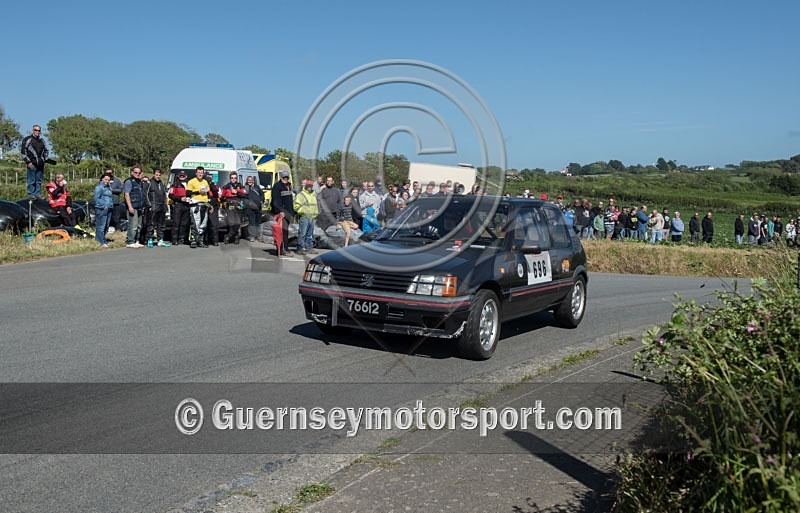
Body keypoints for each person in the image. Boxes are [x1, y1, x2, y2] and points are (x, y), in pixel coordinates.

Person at [21, 125, 49, 199]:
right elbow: (23, 152)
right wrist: (28, 162)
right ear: (33, 130)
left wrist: (44, 159)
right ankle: (31, 194)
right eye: (36, 130)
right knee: (31, 180)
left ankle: (37, 194)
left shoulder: (42, 141)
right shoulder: (28, 139)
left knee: (39, 180)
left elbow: (46, 151)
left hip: (40, 164)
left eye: (39, 130)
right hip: (31, 163)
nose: (37, 132)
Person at [142, 169, 170, 246]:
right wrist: (149, 205)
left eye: (159, 175)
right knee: (151, 223)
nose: (158, 176)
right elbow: (145, 194)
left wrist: (165, 205)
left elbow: (164, 194)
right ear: (154, 174)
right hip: (153, 205)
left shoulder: (161, 183)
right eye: (156, 175)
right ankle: (149, 239)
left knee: (161, 224)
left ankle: (160, 239)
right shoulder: (149, 183)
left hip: (161, 205)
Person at [185, 166, 211, 248]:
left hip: (204, 205)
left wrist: (210, 204)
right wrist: (198, 192)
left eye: (201, 173)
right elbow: (188, 193)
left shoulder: (205, 182)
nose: (200, 174)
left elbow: (208, 192)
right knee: (195, 224)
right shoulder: (191, 182)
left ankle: (200, 241)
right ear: (196, 173)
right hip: (196, 205)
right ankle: (193, 240)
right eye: (199, 173)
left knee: (203, 224)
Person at [270, 170, 294, 257]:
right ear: (281, 177)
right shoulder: (277, 186)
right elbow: (276, 201)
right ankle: (283, 249)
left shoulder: (289, 185)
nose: (286, 179)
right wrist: (280, 211)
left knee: (285, 231)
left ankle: (284, 248)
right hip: (281, 213)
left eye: (287, 177)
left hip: (288, 212)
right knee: (282, 231)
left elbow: (290, 200)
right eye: (284, 177)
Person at [220, 172, 247, 244]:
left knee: (238, 223)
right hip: (230, 206)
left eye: (235, 178)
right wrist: (223, 204)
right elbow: (222, 197)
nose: (233, 179)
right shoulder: (226, 186)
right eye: (232, 178)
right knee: (232, 223)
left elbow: (244, 194)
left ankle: (231, 236)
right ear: (230, 178)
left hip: (238, 205)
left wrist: (237, 192)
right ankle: (232, 236)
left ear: (237, 178)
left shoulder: (240, 186)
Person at [293, 178, 319, 255]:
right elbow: (296, 206)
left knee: (310, 235)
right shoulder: (301, 195)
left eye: (311, 185)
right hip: (304, 217)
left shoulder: (313, 195)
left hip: (312, 218)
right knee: (302, 233)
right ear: (306, 185)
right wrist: (304, 212)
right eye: (308, 185)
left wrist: (316, 214)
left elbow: (315, 206)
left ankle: (309, 248)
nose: (310, 187)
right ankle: (299, 248)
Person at [123, 166, 145, 248]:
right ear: (132, 172)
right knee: (133, 225)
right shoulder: (129, 181)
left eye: (139, 173)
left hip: (139, 206)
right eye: (136, 172)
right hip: (133, 206)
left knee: (139, 225)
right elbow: (126, 194)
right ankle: (130, 241)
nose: (137, 174)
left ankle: (136, 240)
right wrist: (130, 207)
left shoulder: (139, 182)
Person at [168, 171, 191, 245]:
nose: (182, 177)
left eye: (183, 175)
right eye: (180, 175)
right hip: (178, 205)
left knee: (185, 223)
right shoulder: (174, 184)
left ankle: (183, 238)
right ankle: (174, 239)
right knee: (176, 223)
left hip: (187, 205)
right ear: (178, 176)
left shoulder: (189, 184)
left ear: (186, 176)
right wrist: (180, 199)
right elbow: (170, 196)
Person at [93, 173, 114, 247]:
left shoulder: (108, 188)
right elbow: (96, 198)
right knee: (101, 225)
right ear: (102, 179)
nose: (107, 181)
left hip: (109, 208)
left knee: (106, 225)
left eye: (108, 180)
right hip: (102, 208)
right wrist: (103, 205)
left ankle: (100, 239)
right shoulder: (99, 187)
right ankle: (102, 241)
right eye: (105, 179)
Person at [244, 175, 264, 241]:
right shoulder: (245, 188)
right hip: (250, 208)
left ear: (253, 181)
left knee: (258, 222)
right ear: (247, 181)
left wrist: (261, 200)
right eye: (248, 180)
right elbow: (243, 196)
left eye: (251, 180)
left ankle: (258, 235)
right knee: (252, 222)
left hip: (258, 207)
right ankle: (252, 236)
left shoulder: (257, 187)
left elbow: (262, 194)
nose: (250, 181)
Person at [204, 173, 220, 246]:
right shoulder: (203, 186)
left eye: (210, 178)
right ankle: (205, 240)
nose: (208, 179)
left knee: (214, 224)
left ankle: (215, 240)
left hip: (214, 206)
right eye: (207, 178)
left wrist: (211, 184)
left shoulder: (214, 186)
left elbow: (216, 192)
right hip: (205, 205)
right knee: (205, 224)